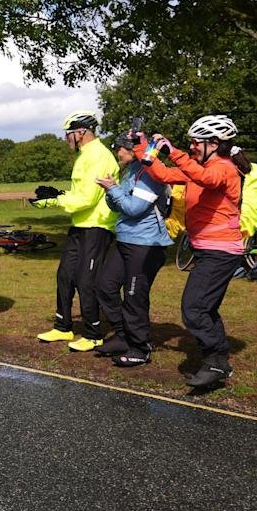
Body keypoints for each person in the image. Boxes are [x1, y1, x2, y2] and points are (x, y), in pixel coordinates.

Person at [147, 115, 243, 388]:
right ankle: (218, 361)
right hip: (207, 249)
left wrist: (173, 151)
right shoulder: (199, 168)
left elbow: (207, 178)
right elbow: (164, 174)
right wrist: (148, 147)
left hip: (220, 251)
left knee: (194, 308)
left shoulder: (224, 168)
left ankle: (216, 361)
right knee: (205, 308)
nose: (190, 148)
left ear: (213, 144)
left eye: (194, 143)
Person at [32, 111, 117, 351]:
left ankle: (93, 333)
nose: (66, 138)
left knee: (85, 280)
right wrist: (56, 196)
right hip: (80, 225)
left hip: (97, 226)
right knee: (65, 276)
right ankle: (63, 327)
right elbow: (78, 194)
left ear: (81, 133)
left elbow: (88, 198)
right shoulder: (84, 155)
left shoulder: (100, 156)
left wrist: (55, 201)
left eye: (68, 134)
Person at [93, 132, 173, 366]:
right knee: (105, 286)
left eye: (120, 148)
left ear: (133, 150)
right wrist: (111, 190)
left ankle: (140, 347)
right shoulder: (131, 171)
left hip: (146, 244)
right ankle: (123, 335)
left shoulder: (149, 174)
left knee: (133, 296)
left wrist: (113, 190)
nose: (117, 152)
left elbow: (133, 208)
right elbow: (118, 206)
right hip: (126, 239)